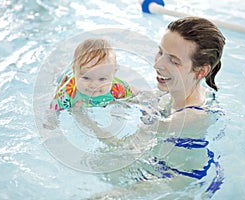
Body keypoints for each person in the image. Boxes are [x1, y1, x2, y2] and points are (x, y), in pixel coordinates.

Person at [86, 17, 226, 199]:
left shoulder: (192, 116)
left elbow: (149, 130)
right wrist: (91, 87)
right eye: (160, 53)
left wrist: (86, 119)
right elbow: (135, 95)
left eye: (174, 61)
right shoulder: (173, 90)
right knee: (96, 160)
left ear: (201, 71)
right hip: (157, 162)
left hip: (180, 179)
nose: (157, 65)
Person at [49, 38, 133, 111]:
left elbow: (137, 95)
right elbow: (53, 112)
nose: (93, 85)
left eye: (102, 79)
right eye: (86, 77)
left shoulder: (117, 88)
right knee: (57, 77)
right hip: (66, 76)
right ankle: (58, 67)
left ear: (113, 74)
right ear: (75, 71)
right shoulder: (68, 92)